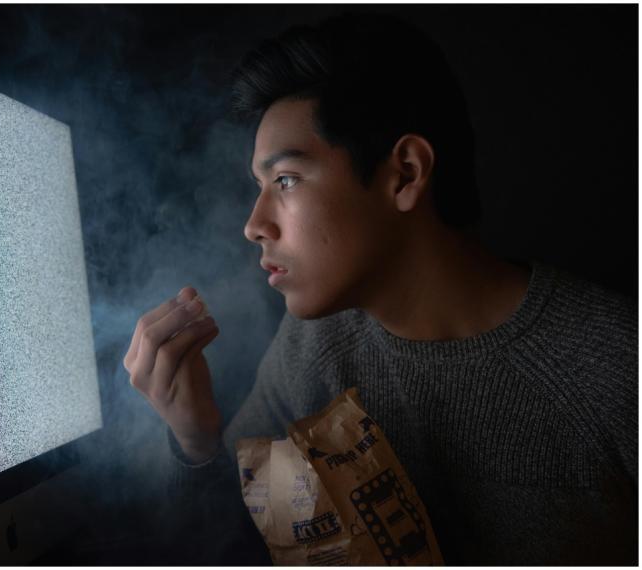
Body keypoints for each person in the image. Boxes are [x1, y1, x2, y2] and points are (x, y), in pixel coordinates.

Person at [124, 12, 637, 565]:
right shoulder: (310, 348)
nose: (254, 225)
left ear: (406, 174)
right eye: (259, 187)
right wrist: (196, 442)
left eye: (287, 180)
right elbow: (230, 546)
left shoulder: (616, 370)